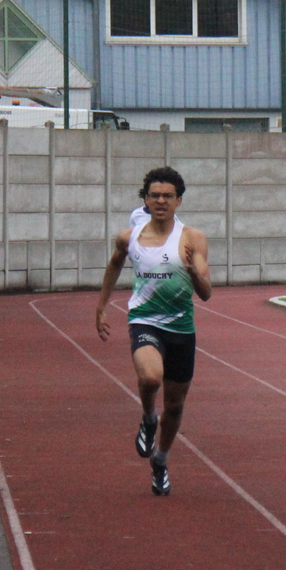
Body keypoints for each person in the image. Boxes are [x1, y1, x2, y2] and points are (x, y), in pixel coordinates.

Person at [94, 167, 212, 496]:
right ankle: (148, 417)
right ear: (145, 200)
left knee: (174, 406)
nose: (161, 201)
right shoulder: (129, 237)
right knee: (150, 378)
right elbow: (115, 263)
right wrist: (101, 306)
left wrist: (193, 272)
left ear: (178, 201)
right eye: (155, 195)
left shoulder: (193, 239)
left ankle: (160, 461)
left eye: (167, 196)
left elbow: (206, 293)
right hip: (144, 319)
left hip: (181, 328)